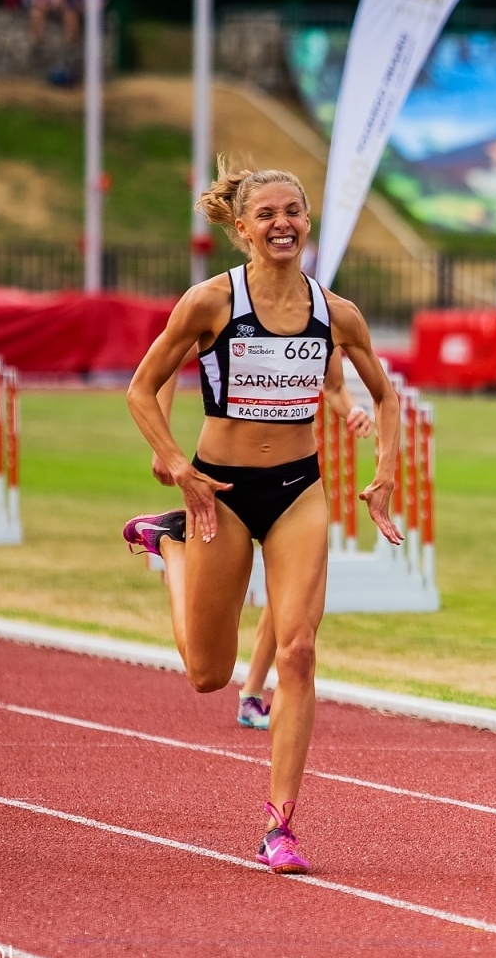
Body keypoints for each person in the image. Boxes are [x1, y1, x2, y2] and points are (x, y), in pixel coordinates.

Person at [121, 162, 403, 874]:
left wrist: (385, 478)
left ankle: (280, 827)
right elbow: (142, 390)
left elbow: (386, 394)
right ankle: (170, 547)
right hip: (221, 490)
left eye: (294, 213)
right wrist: (177, 466)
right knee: (207, 674)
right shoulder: (210, 303)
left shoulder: (336, 312)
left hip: (299, 489)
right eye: (267, 214)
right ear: (241, 228)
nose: (283, 224)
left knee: (299, 650)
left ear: (307, 223)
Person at [144, 345, 374, 731]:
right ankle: (172, 544)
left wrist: (351, 410)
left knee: (293, 616)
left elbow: (333, 386)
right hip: (227, 480)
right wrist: (163, 446)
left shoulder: (320, 313)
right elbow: (162, 364)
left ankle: (253, 694)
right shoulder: (222, 301)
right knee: (206, 674)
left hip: (295, 482)